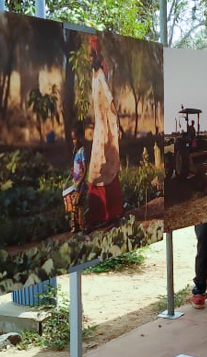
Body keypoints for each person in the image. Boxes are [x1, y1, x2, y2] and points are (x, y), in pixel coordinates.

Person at [86, 36, 124, 226]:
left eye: (91, 56)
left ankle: (110, 214)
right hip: (100, 128)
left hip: (106, 129)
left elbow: (109, 99)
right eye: (88, 56)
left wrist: (117, 124)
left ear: (97, 56)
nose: (89, 59)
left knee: (103, 168)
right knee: (97, 169)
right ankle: (100, 215)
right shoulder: (93, 76)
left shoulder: (100, 75)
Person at [63, 128, 88, 232]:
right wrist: (74, 172)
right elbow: (78, 168)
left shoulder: (82, 152)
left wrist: (80, 182)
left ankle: (83, 227)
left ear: (80, 138)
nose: (74, 141)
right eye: (72, 139)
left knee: (79, 205)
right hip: (75, 183)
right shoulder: (76, 152)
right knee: (73, 206)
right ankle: (75, 227)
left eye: (75, 139)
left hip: (80, 184)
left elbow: (85, 169)